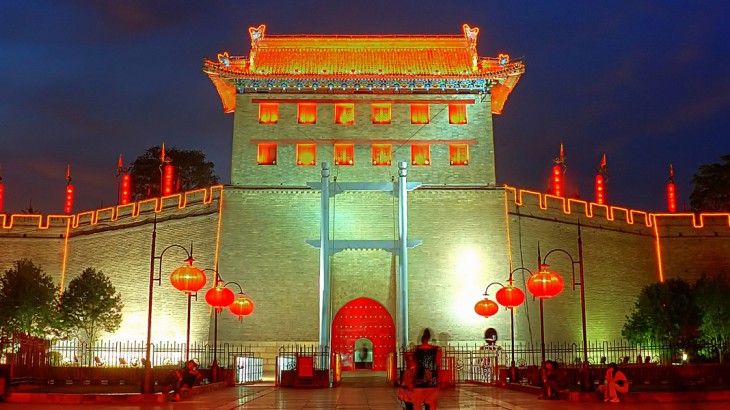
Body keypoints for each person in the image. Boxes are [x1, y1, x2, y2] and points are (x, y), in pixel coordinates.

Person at [412, 328, 441, 410]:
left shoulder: (418, 350)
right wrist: (439, 382)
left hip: (419, 380)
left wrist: (412, 381)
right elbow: (438, 366)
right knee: (432, 406)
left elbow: (415, 367)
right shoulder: (436, 350)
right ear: (430, 337)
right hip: (432, 381)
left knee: (417, 405)